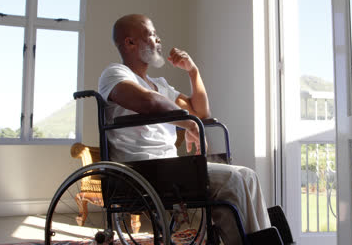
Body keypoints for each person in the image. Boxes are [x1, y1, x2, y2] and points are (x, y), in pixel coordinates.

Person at [98, 14, 271, 245]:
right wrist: (189, 124)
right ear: (130, 43)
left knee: (247, 176)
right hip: (138, 170)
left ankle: (262, 240)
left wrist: (193, 71)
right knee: (231, 180)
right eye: (151, 34)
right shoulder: (115, 74)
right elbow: (149, 102)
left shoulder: (159, 84)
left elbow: (201, 113)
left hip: (168, 167)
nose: (158, 40)